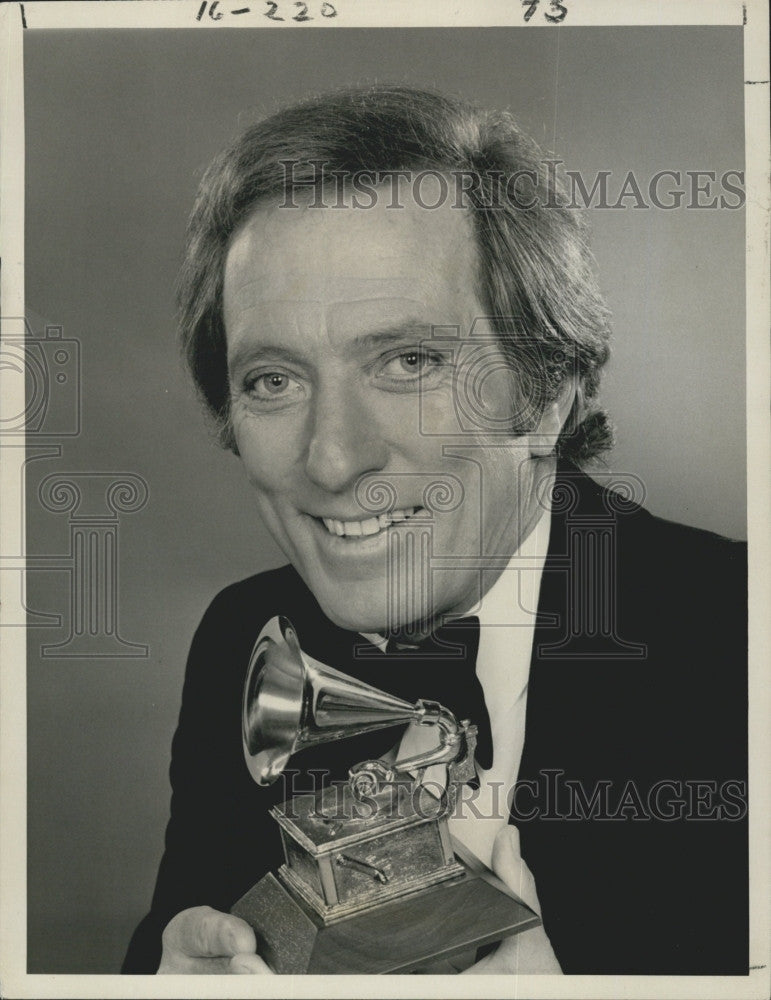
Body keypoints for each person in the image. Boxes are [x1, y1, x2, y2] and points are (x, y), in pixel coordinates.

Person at [123, 85, 747, 976]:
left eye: (409, 362)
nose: (332, 461)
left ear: (545, 397)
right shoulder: (243, 634)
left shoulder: (740, 629)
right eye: (272, 380)